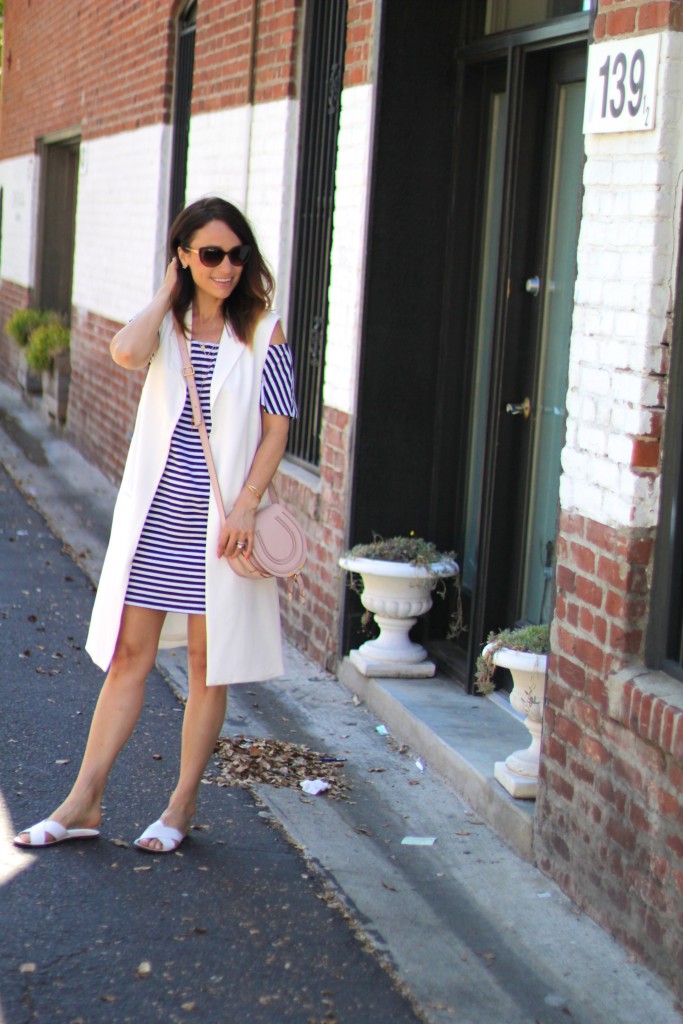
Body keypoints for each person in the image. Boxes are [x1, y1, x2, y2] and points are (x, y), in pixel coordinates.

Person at [15, 196, 297, 853]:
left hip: (222, 522)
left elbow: (279, 425)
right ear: (184, 257)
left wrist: (249, 503)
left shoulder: (264, 329)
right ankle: (84, 800)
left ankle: (181, 804)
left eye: (236, 254)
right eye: (209, 255)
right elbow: (122, 351)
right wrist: (169, 290)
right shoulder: (166, 326)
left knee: (208, 663)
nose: (226, 267)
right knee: (128, 657)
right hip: (160, 516)